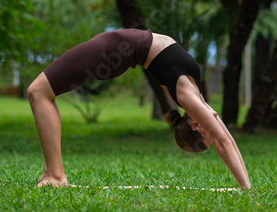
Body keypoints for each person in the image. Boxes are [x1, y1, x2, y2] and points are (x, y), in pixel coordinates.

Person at [27, 28, 251, 190]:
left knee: (38, 91)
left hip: (110, 53)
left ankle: (55, 175)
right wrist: (247, 187)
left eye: (210, 130)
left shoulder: (189, 98)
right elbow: (226, 140)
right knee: (41, 92)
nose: (215, 123)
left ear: (196, 124)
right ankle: (53, 174)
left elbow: (223, 139)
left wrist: (244, 188)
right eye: (211, 130)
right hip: (113, 46)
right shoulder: (195, 98)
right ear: (197, 125)